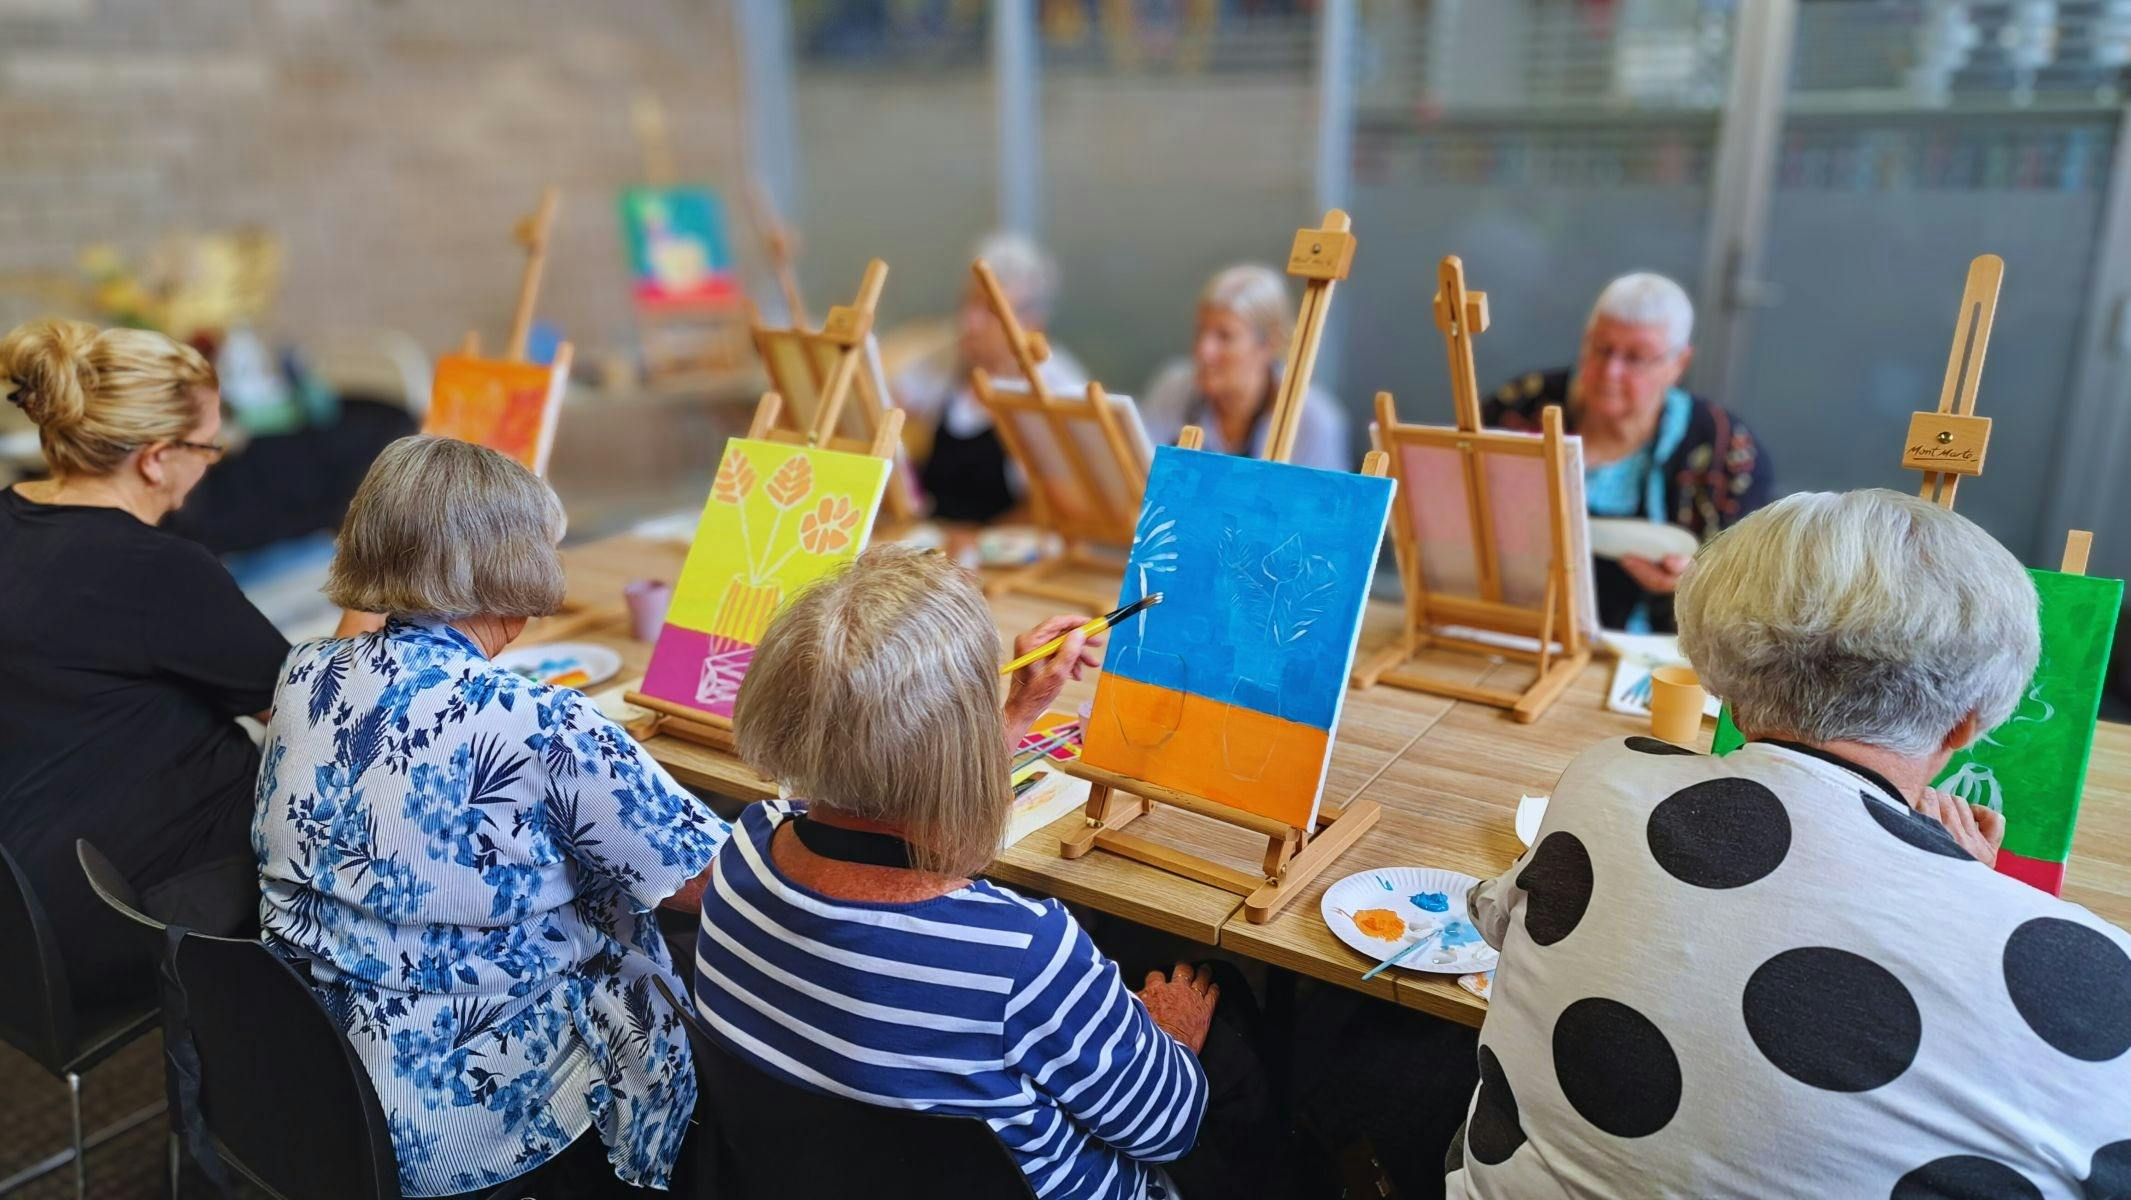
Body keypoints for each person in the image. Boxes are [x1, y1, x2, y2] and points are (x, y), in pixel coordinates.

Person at [1446, 490, 2131, 1198]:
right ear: (1964, 724)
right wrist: (1973, 893)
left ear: (1726, 680)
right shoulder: (2090, 978)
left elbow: (1495, 918)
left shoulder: (1607, 781)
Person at [694, 545, 1286, 1199]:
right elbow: (1169, 1128)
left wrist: (1014, 712)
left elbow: (881, 780)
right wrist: (1168, 1033)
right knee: (1222, 1002)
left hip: (812, 1175)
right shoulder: (1022, 954)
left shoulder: (742, 853)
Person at [254, 436, 728, 1197]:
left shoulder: (304, 672)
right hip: (472, 1117)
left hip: (312, 1069)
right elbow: (707, 883)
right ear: (513, 564)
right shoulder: (538, 721)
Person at [0, 317, 345, 1012]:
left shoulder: (10, 516)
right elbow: (317, 718)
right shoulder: (153, 569)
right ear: (155, 458)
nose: (213, 460)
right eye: (209, 445)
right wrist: (375, 587)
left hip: (25, 904)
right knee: (375, 792)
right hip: (117, 911)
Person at [1484, 272, 1773, 632]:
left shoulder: (1726, 451)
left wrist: (1695, 586)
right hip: (1515, 627)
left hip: (1656, 650)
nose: (1610, 371)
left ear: (1679, 364)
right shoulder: (1522, 407)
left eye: (1636, 358)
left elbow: (1753, 586)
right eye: (1601, 349)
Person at [895, 232, 1086, 525]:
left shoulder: (1057, 389)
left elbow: (1061, 506)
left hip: (1005, 546)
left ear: (1032, 322)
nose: (969, 322)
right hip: (929, 537)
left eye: (990, 310)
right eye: (967, 304)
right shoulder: (946, 359)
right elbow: (888, 400)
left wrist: (978, 540)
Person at [1140, 263, 1350, 471]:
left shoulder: (1314, 422)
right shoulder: (1172, 391)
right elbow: (1140, 477)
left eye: (1225, 336)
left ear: (1270, 344)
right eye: (1201, 331)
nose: (1204, 351)